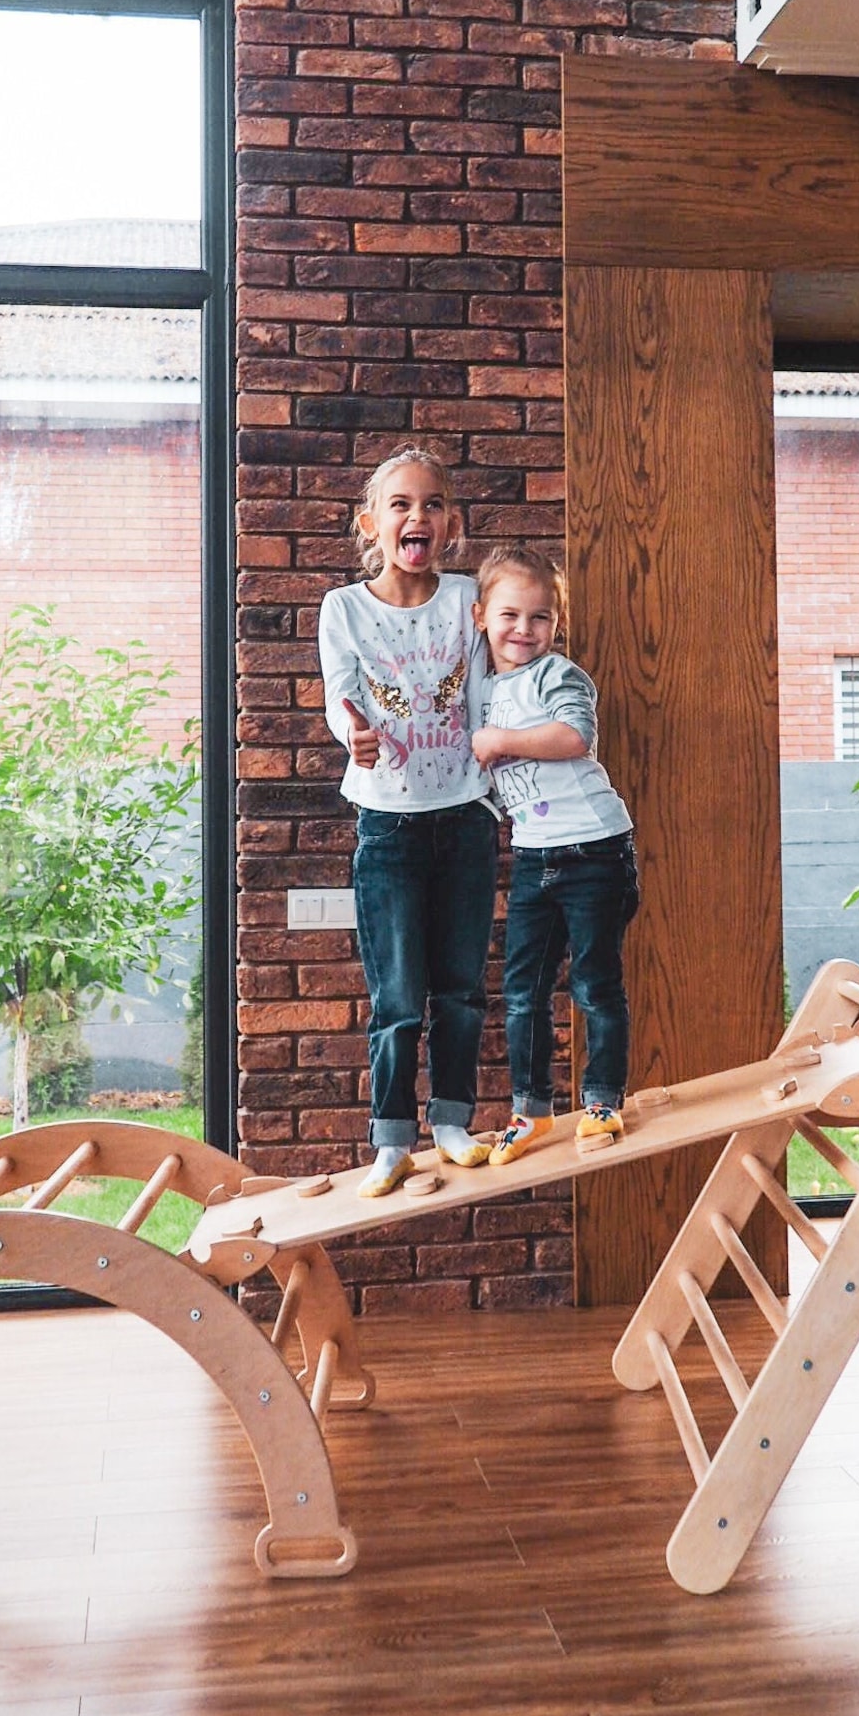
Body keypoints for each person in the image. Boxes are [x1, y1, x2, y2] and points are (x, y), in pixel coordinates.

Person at [318, 445, 499, 1197]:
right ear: (372, 522)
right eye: (399, 504)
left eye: (430, 504)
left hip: (465, 818)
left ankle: (451, 1120)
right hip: (387, 827)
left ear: (451, 523)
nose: (415, 516)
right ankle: (391, 1139)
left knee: (459, 989)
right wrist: (351, 734)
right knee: (396, 998)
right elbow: (339, 695)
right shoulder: (345, 609)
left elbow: (498, 683)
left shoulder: (467, 599)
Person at [468, 544, 639, 1166]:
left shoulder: (557, 675)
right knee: (523, 991)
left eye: (540, 618)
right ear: (481, 616)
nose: (524, 630)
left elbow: (574, 736)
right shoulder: (481, 688)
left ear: (555, 625)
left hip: (594, 851)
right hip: (535, 858)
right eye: (511, 615)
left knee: (594, 985)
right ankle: (533, 1111)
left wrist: (500, 740)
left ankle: (601, 1101)